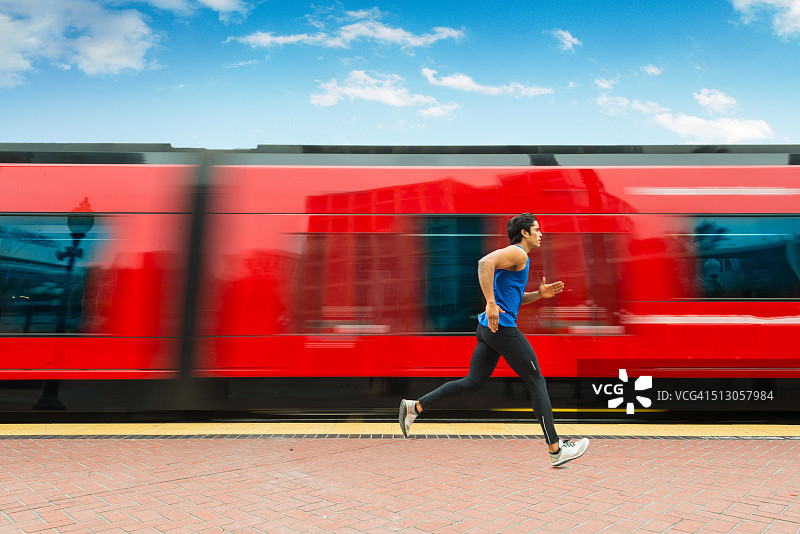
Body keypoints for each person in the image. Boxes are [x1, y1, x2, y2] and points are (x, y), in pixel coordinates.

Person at [399, 213, 590, 467]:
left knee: (472, 381)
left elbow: (513, 297)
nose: (541, 233)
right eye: (537, 229)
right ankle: (556, 449)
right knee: (536, 381)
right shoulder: (518, 253)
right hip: (502, 328)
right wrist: (490, 302)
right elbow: (484, 262)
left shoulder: (520, 259)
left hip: (488, 328)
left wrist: (538, 294)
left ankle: (415, 407)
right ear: (525, 233)